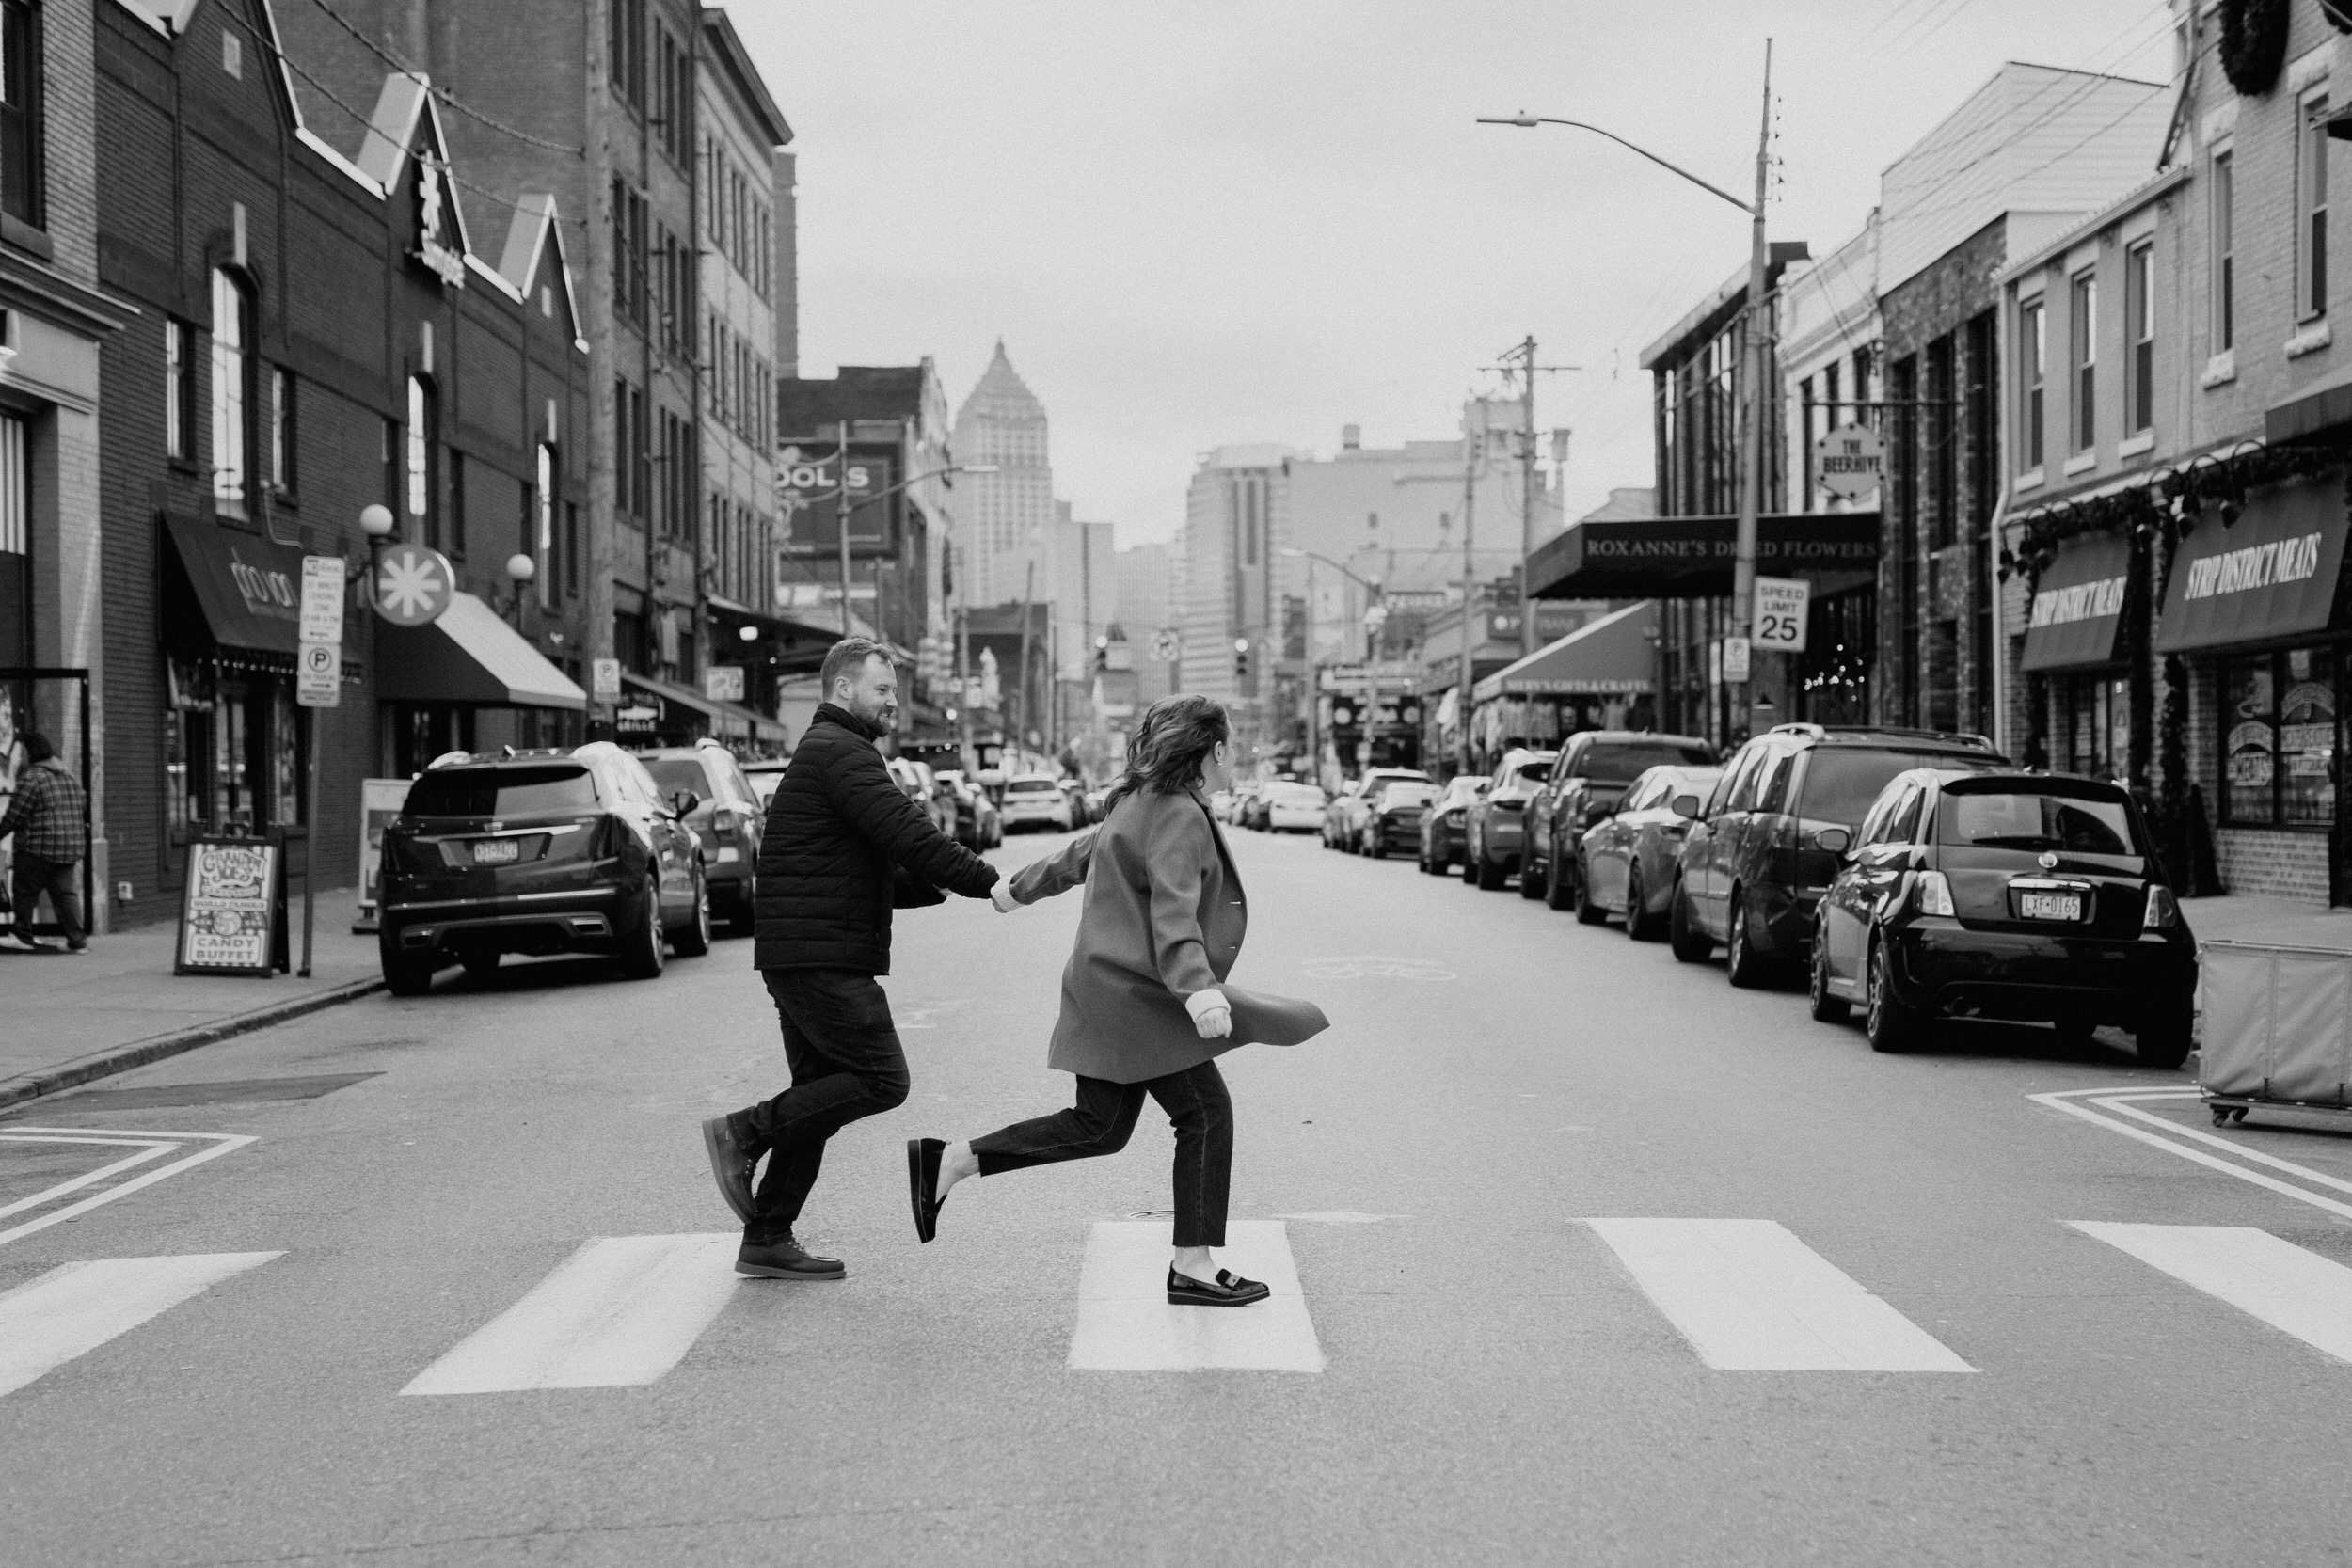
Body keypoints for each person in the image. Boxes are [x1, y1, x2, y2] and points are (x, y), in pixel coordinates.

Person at [907, 694, 1327, 1307]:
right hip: (1139, 994)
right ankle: (1193, 1263)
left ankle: (953, 1160)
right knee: (1205, 1113)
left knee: (1099, 1125)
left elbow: (1085, 852)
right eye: (1232, 747)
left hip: (1108, 986)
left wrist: (1016, 890)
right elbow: (1173, 911)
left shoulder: (1141, 800)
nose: (1235, 757)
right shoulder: (1178, 813)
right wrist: (1198, 990)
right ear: (1214, 751)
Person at [700, 638, 1001, 1280]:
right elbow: (909, 833)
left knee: (817, 1098)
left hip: (803, 949)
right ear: (844, 689)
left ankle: (768, 1234)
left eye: (894, 690)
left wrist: (936, 883)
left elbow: (865, 863)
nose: (893, 702)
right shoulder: (842, 752)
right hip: (820, 956)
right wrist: (989, 882)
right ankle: (745, 1131)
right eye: (882, 690)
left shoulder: (832, 750)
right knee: (881, 1079)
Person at [0, 732, 87, 954]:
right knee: (65, 895)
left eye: (21, 750)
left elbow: (15, 815)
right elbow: (82, 804)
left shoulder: (32, 778)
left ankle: (22, 935)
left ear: (30, 752)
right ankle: (77, 941)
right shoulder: (68, 777)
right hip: (69, 847)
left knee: (24, 891)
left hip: (38, 847)